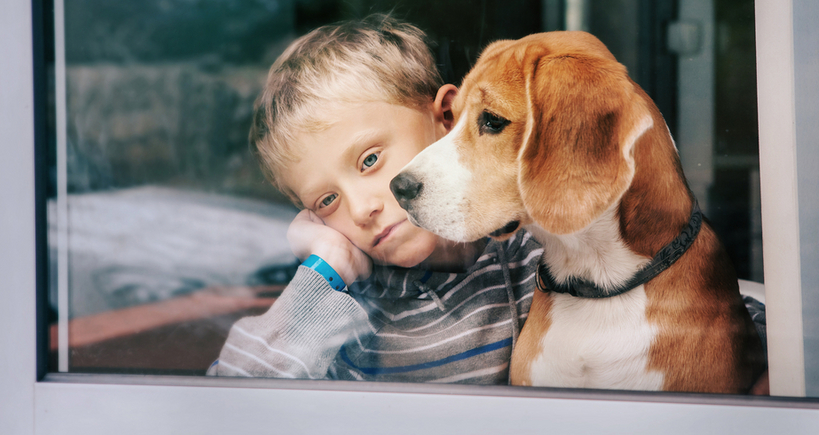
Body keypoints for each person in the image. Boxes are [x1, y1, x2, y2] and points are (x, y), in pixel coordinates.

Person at [208, 14, 767, 386]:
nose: (362, 207)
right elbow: (230, 394)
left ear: (446, 118)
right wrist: (323, 271)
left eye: (371, 161)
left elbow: (693, 301)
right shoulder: (346, 306)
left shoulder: (526, 262)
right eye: (326, 201)